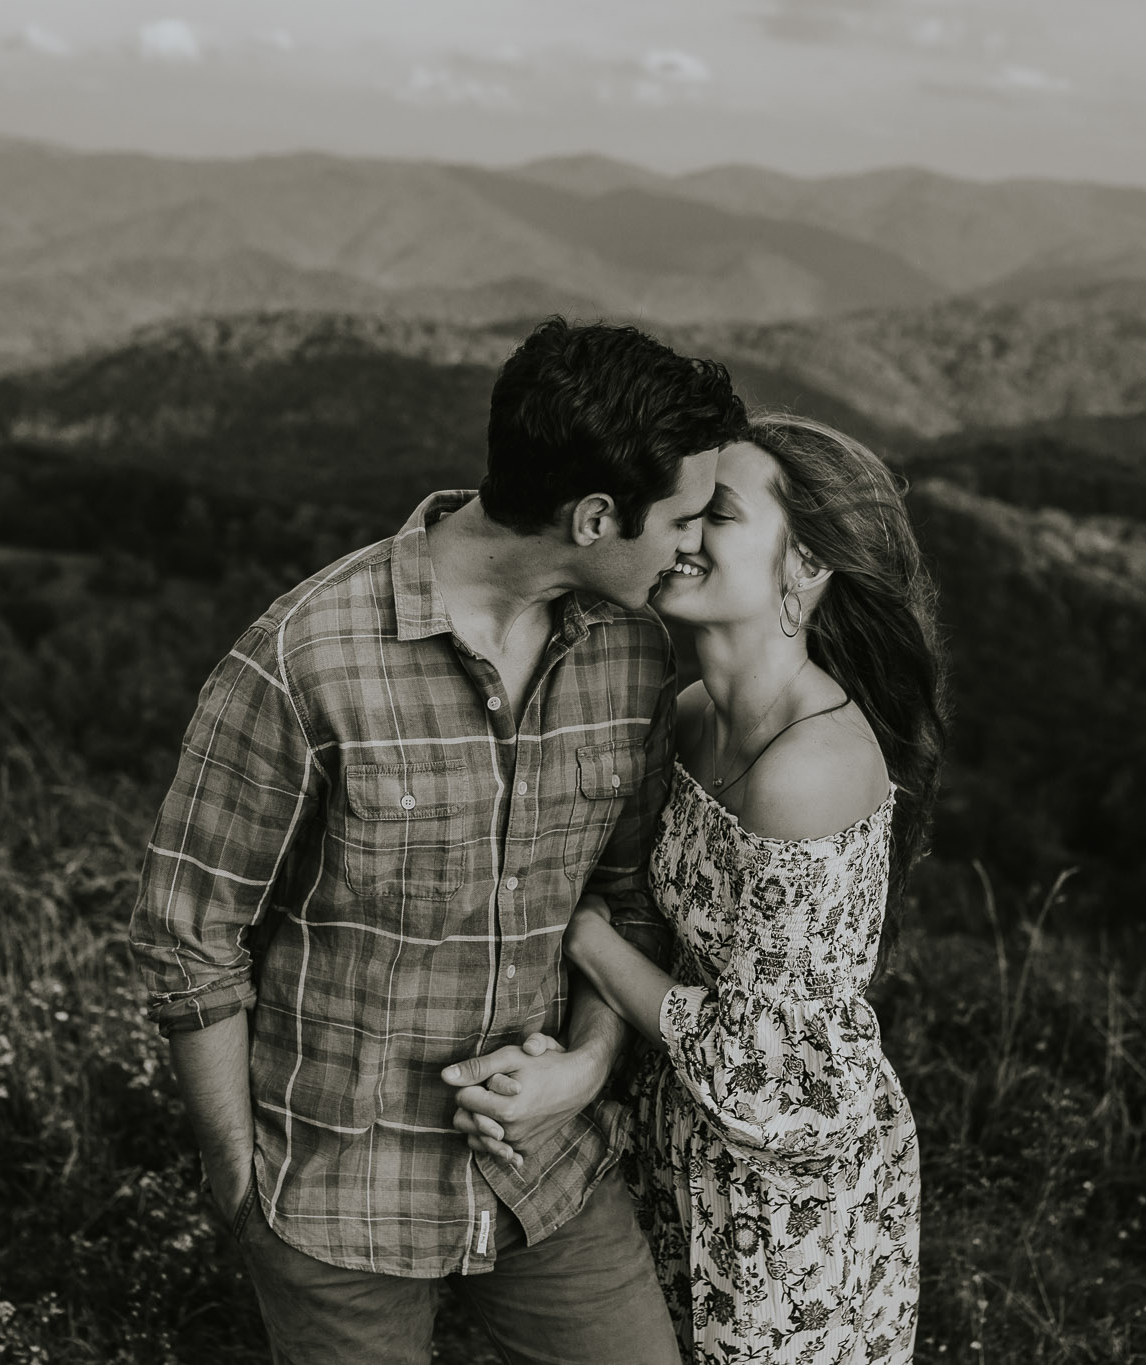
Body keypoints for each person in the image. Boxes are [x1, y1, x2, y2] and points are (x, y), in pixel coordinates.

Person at [127, 317, 749, 1365]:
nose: (693, 547)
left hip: (550, 1175)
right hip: (335, 1196)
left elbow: (627, 893)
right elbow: (189, 936)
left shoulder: (631, 653)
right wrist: (238, 1185)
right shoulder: (302, 660)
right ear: (596, 516)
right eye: (684, 519)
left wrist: (587, 1066)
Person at [535, 414, 948, 1363]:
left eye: (715, 514)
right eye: (682, 509)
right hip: (682, 1144)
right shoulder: (689, 715)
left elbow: (759, 1060)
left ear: (806, 564)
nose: (680, 532)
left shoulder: (808, 768)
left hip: (788, 1191)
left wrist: (586, 937)